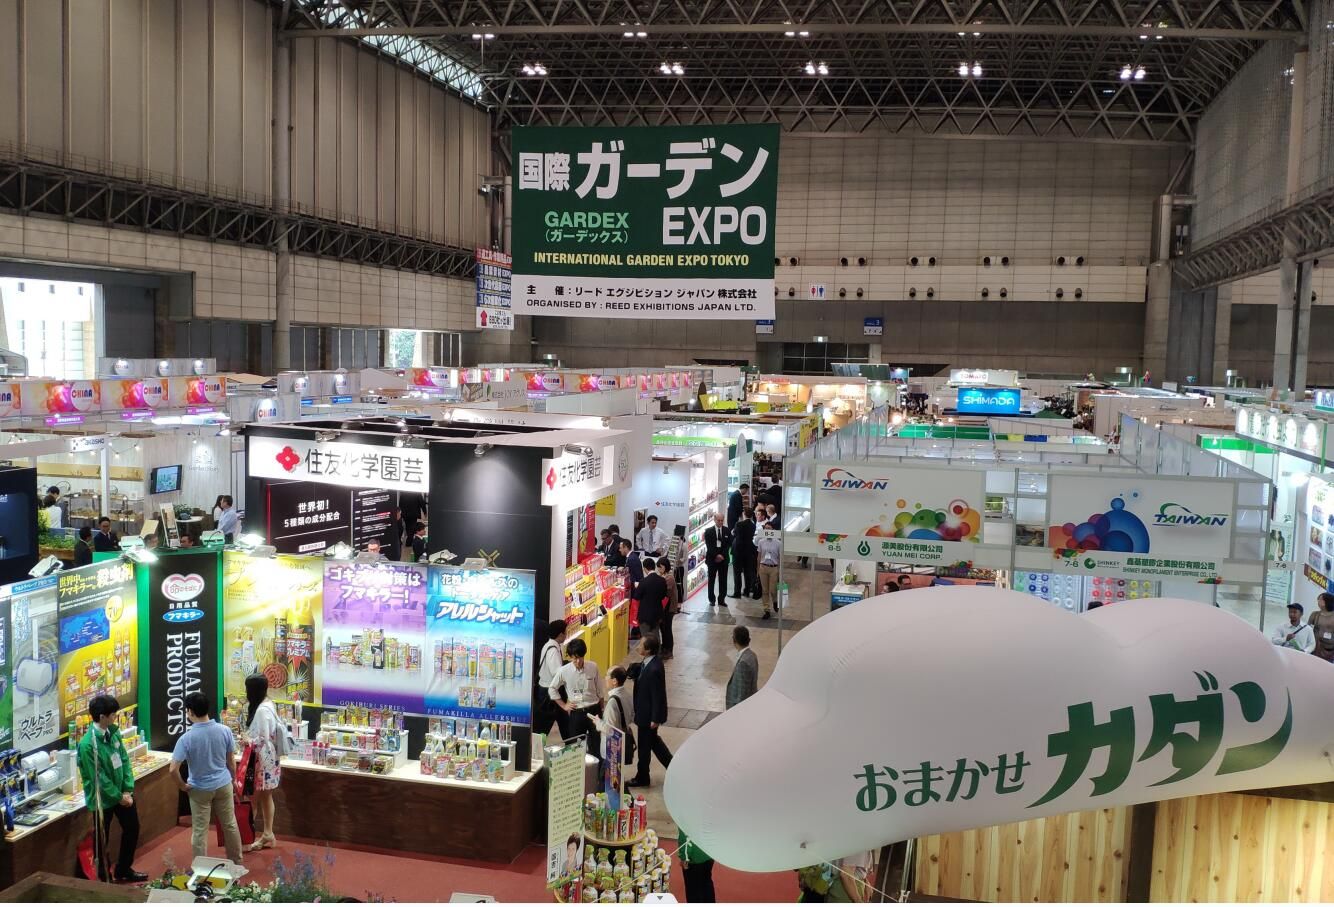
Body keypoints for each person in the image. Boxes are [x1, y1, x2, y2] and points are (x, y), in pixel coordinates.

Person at [77, 694, 147, 883]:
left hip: (122, 793)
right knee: (102, 839)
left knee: (132, 828)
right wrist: (118, 796)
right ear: (102, 717)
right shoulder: (87, 745)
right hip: (103, 799)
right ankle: (104, 876)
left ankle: (123, 869)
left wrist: (127, 789)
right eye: (113, 714)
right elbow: (98, 777)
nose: (116, 717)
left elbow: (124, 760)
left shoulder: (114, 733)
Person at [169, 692, 243, 866]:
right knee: (230, 825)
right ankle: (237, 864)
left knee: (200, 831)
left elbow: (172, 769)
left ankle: (201, 869)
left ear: (190, 711)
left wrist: (182, 786)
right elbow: (231, 761)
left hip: (199, 789)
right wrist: (232, 779)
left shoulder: (186, 738)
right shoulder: (225, 731)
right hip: (223, 784)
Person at [242, 674, 283, 852]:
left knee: (251, 798)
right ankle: (267, 833)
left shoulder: (261, 710)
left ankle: (246, 838)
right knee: (266, 797)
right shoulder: (269, 704)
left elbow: (263, 740)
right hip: (269, 759)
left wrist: (247, 740)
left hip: (260, 761)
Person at [628, 636, 672, 787]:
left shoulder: (653, 669)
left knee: (644, 748)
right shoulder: (649, 662)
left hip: (647, 716)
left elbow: (657, 695)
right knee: (654, 743)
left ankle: (642, 777)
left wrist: (655, 718)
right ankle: (672, 767)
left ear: (648, 650)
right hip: (644, 713)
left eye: (641, 645)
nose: (637, 646)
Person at [549, 638, 604, 756]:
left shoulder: (593, 667)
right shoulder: (564, 671)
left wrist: (602, 710)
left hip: (594, 711)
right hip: (577, 712)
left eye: (580, 657)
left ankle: (597, 768)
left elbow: (600, 691)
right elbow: (552, 688)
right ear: (570, 657)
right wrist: (564, 705)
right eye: (575, 658)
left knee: (596, 746)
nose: (578, 661)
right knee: (575, 748)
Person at [535, 620, 570, 740]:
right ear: (560, 634)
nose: (566, 635)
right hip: (549, 692)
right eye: (565, 632)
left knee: (562, 721)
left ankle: (570, 742)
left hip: (546, 690)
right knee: (546, 725)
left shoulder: (549, 646)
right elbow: (556, 673)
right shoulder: (553, 650)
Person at [602, 665, 635, 767]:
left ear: (614, 681)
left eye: (607, 675)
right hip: (623, 741)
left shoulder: (612, 702)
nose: (605, 678)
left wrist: (598, 723)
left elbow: (609, 729)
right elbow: (632, 716)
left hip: (612, 748)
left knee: (609, 774)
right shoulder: (628, 695)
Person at [635, 557, 668, 651]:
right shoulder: (662, 580)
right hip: (657, 613)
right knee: (656, 635)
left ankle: (648, 656)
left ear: (645, 569)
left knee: (646, 638)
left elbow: (637, 596)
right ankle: (657, 655)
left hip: (644, 614)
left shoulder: (643, 582)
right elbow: (663, 596)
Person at [678, 829, 716, 903]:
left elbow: (685, 835)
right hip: (709, 852)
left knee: (693, 891)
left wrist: (684, 857)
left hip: (694, 857)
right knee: (706, 883)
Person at [725, 626, 758, 710]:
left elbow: (742, 693)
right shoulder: (752, 655)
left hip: (739, 708)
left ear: (734, 640)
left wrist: (738, 711)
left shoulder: (743, 663)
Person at [703, 513, 731, 608]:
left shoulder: (727, 530)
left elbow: (728, 545)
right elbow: (709, 546)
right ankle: (712, 599)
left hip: (723, 559)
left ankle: (721, 599)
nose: (720, 522)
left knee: (723, 580)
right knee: (711, 580)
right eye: (718, 520)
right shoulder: (708, 531)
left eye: (722, 520)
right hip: (712, 559)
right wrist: (716, 555)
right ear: (714, 520)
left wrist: (722, 555)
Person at [731, 507, 757, 601]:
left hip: (738, 551)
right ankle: (747, 591)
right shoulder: (753, 525)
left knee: (737, 572)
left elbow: (735, 534)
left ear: (744, 514)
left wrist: (733, 532)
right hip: (748, 550)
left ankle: (737, 592)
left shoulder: (739, 524)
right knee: (747, 572)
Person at [656, 557, 679, 660]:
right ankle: (665, 647)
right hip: (665, 607)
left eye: (660, 567)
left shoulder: (669, 578)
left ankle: (668, 650)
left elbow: (666, 593)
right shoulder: (664, 576)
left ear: (665, 567)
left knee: (667, 629)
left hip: (669, 608)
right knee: (664, 629)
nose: (659, 570)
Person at [757, 529, 782, 619]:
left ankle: (775, 601)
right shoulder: (761, 542)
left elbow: (780, 557)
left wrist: (780, 570)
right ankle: (766, 609)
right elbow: (759, 556)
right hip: (763, 567)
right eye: (766, 528)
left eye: (770, 528)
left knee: (773, 590)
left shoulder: (778, 543)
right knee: (765, 590)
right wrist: (757, 569)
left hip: (773, 568)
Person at [1309, 593, 1334, 661]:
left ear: (1327, 601)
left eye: (1320, 599)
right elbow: (1307, 630)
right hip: (1314, 648)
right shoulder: (1314, 614)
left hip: (1329, 650)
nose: (1318, 601)